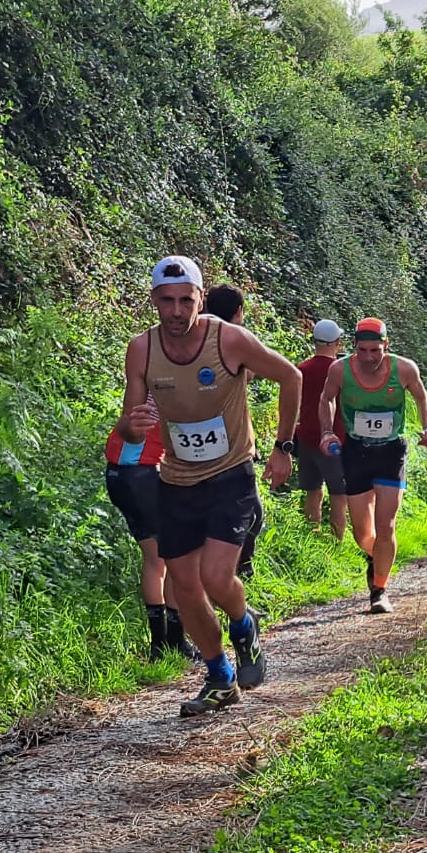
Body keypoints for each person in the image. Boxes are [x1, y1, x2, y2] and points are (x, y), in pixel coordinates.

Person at [115, 256, 303, 718]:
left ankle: (244, 626)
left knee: (215, 578)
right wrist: (133, 426)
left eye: (186, 300)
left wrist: (283, 447)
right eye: (166, 301)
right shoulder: (142, 349)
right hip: (176, 479)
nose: (176, 310)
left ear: (201, 298)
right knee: (183, 584)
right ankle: (220, 677)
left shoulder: (229, 339)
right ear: (153, 301)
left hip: (231, 474)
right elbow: (131, 425)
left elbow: (291, 376)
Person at [317, 318, 427, 614]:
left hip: (391, 452)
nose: (369, 357)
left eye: (376, 350)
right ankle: (378, 558)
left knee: (386, 525)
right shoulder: (339, 369)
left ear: (387, 345)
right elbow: (326, 399)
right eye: (362, 350)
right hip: (356, 451)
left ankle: (379, 590)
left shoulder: (404, 369)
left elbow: (423, 399)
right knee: (362, 533)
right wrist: (327, 431)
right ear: (353, 347)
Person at [104, 421, 195, 662]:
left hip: (118, 475)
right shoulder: (170, 388)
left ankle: (159, 646)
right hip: (144, 473)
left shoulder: (142, 391)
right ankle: (175, 643)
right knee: (176, 556)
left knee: (156, 559)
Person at [201, 283, 264, 578]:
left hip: (188, 446)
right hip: (232, 445)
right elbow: (251, 374)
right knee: (251, 513)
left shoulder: (189, 338)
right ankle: (238, 572)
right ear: (239, 312)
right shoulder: (237, 341)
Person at [294, 319, 348, 539]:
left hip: (306, 439)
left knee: (312, 492)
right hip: (336, 441)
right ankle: (337, 542)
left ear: (314, 341)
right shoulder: (341, 371)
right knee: (339, 494)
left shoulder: (301, 370)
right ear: (337, 342)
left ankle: (311, 538)